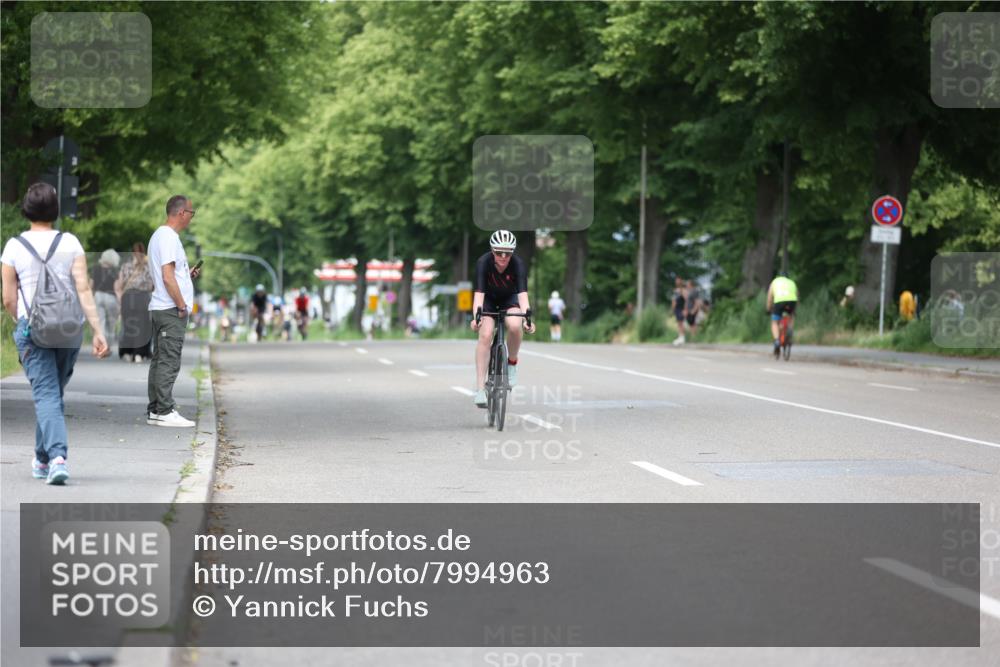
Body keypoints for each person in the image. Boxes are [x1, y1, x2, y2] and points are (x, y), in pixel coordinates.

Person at [1, 182, 110, 485]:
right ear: (55, 210)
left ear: (26, 209)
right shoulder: (71, 242)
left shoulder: (13, 247)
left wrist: (20, 320)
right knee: (52, 394)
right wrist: (98, 330)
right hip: (68, 329)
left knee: (47, 394)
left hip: (32, 330)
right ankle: (42, 457)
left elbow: (8, 298)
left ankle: (57, 458)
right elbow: (83, 288)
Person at [147, 195, 201, 427]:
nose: (191, 216)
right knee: (169, 360)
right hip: (170, 309)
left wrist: (186, 277)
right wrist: (181, 305)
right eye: (191, 212)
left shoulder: (159, 236)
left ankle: (156, 410)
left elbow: (169, 274)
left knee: (159, 359)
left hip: (161, 306)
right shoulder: (169, 237)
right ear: (181, 213)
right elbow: (168, 277)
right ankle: (165, 410)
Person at [469, 230, 535, 407]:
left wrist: (527, 320)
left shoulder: (518, 264)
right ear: (492, 251)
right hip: (488, 300)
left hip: (509, 298)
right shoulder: (483, 263)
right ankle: (480, 389)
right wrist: (477, 318)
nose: (503, 257)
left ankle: (512, 362)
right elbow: (479, 295)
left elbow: (523, 296)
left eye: (508, 253)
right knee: (485, 334)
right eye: (499, 253)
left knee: (515, 325)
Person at [115, 241, 154, 362]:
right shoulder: (149, 268)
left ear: (132, 252)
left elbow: (119, 285)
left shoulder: (125, 266)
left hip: (127, 298)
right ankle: (139, 354)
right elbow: (153, 286)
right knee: (142, 326)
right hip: (142, 297)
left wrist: (120, 299)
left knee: (128, 325)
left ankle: (127, 352)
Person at [766, 271, 799, 357]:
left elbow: (770, 297)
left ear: (778, 277)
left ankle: (777, 340)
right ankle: (790, 330)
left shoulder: (775, 282)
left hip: (779, 302)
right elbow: (797, 296)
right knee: (791, 317)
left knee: (775, 322)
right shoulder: (792, 282)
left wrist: (769, 308)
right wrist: (794, 310)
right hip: (792, 302)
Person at [91, 248, 120, 346]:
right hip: (111, 297)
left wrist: (90, 297)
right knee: (111, 323)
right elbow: (117, 288)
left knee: (100, 322)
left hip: (98, 296)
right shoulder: (115, 271)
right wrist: (120, 301)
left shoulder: (95, 268)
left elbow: (91, 284)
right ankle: (109, 345)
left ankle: (101, 345)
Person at [671, 277, 686, 345]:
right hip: (676, 309)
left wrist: (685, 309)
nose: (677, 282)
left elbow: (686, 299)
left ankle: (682, 337)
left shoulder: (682, 290)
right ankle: (680, 337)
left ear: (681, 281)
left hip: (681, 308)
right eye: (676, 281)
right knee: (679, 323)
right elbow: (674, 300)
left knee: (681, 323)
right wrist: (673, 309)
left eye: (678, 281)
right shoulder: (675, 290)